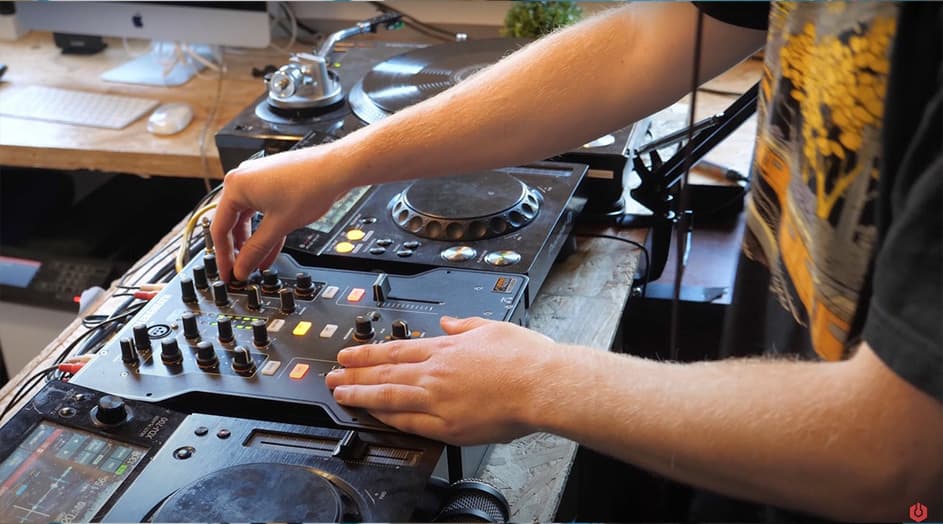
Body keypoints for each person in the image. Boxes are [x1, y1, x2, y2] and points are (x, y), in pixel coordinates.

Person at [211, 2, 942, 521]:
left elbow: (899, 457)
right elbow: (646, 40)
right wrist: (345, 162)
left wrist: (539, 380)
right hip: (775, 438)